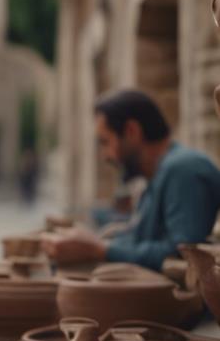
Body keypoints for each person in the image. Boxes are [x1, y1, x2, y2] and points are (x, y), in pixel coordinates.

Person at [43, 89, 220, 271]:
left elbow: (183, 254)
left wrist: (100, 249)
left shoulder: (184, 168)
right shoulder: (158, 174)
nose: (105, 156)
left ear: (131, 131)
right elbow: (139, 239)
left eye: (105, 142)